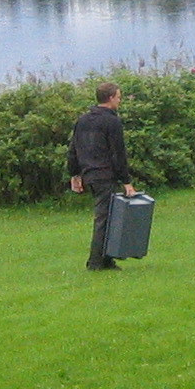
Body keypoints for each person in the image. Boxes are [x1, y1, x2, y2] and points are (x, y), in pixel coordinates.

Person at [67, 83, 138, 269]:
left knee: (109, 216)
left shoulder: (83, 120)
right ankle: (96, 262)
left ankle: (107, 259)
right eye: (119, 97)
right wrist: (126, 181)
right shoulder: (112, 122)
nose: (120, 100)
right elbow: (118, 153)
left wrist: (74, 174)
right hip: (104, 175)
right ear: (111, 98)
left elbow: (73, 148)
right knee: (104, 219)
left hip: (88, 174)